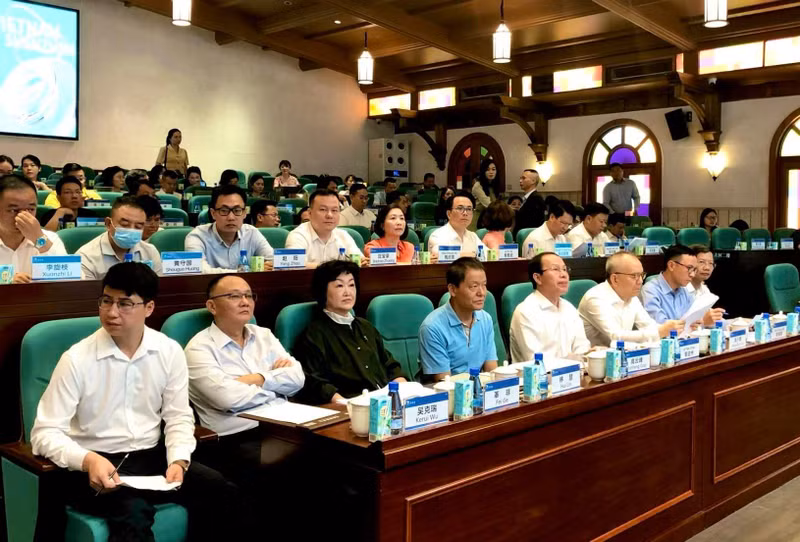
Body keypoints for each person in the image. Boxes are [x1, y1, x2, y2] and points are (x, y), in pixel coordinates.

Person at [30, 262, 241, 541]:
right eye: (106, 301)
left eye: (125, 303)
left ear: (149, 308)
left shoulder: (168, 351)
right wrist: (87, 459)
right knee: (133, 513)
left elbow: (178, 416)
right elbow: (44, 433)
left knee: (222, 490)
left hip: (149, 457)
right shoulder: (77, 359)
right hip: (93, 463)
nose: (111, 312)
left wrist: (179, 459)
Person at [186, 274, 304, 437]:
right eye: (234, 296)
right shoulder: (198, 349)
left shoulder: (264, 335)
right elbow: (227, 398)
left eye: (248, 295)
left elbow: (298, 378)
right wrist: (277, 389)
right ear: (212, 306)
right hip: (241, 436)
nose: (245, 302)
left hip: (287, 423)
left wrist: (255, 379)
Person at [294, 260, 408, 403]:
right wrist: (344, 404)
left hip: (385, 400)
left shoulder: (366, 327)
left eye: (351, 285)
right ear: (323, 290)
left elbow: (390, 365)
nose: (347, 292)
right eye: (339, 285)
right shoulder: (314, 334)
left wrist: (404, 392)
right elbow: (316, 383)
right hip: (351, 405)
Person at [579, 251, 684, 346]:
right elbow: (616, 336)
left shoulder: (631, 296)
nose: (640, 281)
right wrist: (660, 332)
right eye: (634, 276)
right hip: (595, 361)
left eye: (641, 275)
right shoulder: (595, 298)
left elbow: (647, 325)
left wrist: (674, 328)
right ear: (615, 279)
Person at [419, 258, 498, 380]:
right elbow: (444, 383)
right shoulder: (432, 327)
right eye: (474, 286)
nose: (482, 292)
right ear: (452, 289)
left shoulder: (485, 319)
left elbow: (492, 371)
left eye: (484, 285)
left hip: (479, 391)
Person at [510, 252, 591, 362]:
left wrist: (589, 355)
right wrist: (575, 359)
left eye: (564, 269)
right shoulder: (526, 312)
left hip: (572, 373)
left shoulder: (569, 308)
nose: (563, 275)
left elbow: (582, 347)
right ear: (538, 278)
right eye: (555, 269)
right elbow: (536, 361)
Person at [185, 184, 274, 271]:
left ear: (244, 213)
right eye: (224, 210)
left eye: (237, 210)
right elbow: (200, 270)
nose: (231, 217)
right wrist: (247, 272)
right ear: (213, 213)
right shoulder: (197, 236)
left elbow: (275, 261)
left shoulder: (252, 233)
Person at [0, 174, 66, 283]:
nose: (23, 216)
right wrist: (4, 279)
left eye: (31, 209)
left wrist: (39, 240)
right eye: (13, 210)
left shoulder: (50, 238)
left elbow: (71, 281)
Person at [77, 197, 162, 279]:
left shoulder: (150, 252)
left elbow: (159, 290)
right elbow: (88, 292)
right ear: (108, 224)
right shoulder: (86, 257)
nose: (132, 230)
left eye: (138, 226)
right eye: (125, 225)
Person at [639, 244, 720, 325]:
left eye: (694, 269)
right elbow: (661, 327)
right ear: (671, 265)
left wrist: (700, 322)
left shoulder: (684, 291)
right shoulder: (650, 290)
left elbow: (693, 320)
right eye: (689, 268)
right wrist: (701, 322)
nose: (692, 274)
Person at [285, 189, 363, 266]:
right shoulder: (297, 236)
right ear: (310, 213)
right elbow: (295, 266)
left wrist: (362, 262)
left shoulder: (343, 235)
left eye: (334, 210)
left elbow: (359, 260)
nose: (329, 215)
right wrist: (336, 268)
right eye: (323, 209)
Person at [428, 190, 485, 258]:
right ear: (449, 214)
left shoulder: (473, 236)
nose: (465, 213)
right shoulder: (438, 235)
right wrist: (474, 255)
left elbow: (489, 255)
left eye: (469, 209)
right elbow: (440, 256)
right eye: (460, 208)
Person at [513, 169, 546, 235]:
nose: (520, 181)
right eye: (520, 178)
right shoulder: (529, 198)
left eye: (523, 178)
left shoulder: (536, 199)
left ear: (533, 181)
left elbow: (530, 221)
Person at [471, 158, 498, 230]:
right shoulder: (478, 185)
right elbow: (488, 204)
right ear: (483, 171)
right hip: (477, 220)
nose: (491, 172)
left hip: (489, 220)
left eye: (493, 169)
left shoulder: (493, 186)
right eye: (487, 169)